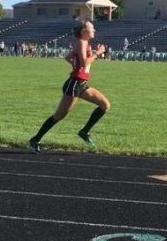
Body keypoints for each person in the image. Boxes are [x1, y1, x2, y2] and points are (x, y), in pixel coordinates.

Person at [28, 20, 111, 153]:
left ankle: (84, 131)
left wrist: (76, 66)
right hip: (74, 85)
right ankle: (35, 140)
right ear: (84, 31)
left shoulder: (85, 44)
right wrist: (98, 53)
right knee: (59, 116)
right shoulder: (82, 43)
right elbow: (84, 63)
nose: (94, 30)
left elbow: (68, 57)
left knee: (105, 105)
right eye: (92, 28)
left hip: (81, 84)